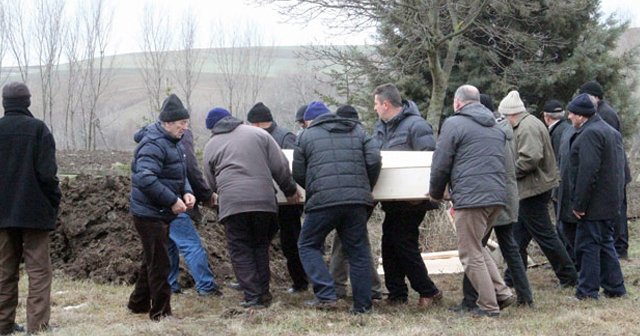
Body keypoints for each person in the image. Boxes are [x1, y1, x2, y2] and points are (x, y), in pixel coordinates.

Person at [203, 107, 301, 309]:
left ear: (213, 128)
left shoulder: (211, 145)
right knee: (260, 246)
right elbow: (280, 165)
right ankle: (263, 294)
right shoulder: (258, 134)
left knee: (240, 249)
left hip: (233, 203)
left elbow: (210, 181)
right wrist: (290, 190)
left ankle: (253, 297)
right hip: (264, 202)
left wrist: (217, 197)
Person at [429, 85, 514, 318]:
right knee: (477, 246)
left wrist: (435, 193)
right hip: (497, 197)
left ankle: (488, 306)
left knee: (468, 252)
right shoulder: (496, 127)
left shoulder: (454, 124)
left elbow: (441, 162)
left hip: (472, 198)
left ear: (458, 103)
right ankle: (502, 292)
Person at [293, 101, 381, 314]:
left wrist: (314, 188)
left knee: (307, 244)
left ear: (308, 121)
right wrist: (363, 186)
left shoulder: (305, 136)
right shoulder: (357, 130)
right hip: (356, 202)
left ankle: (325, 294)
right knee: (358, 251)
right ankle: (363, 306)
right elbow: (374, 160)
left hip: (323, 201)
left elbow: (298, 172)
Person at [450, 94, 533, 313]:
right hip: (503, 196)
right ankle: (523, 296)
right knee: (507, 248)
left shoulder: (490, 134)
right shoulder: (504, 132)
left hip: (487, 196)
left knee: (474, 248)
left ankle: (475, 300)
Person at [498, 90, 577, 288]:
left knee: (545, 236)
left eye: (503, 116)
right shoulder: (526, 124)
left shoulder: (527, 127)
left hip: (532, 190)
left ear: (511, 114)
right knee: (518, 237)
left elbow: (530, 159)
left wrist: (507, 173)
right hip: (527, 189)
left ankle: (568, 276)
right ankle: (513, 278)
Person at [372, 83, 442, 308]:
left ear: (386, 104)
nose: (374, 109)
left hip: (413, 200)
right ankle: (397, 293)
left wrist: (421, 194)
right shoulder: (380, 128)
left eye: (376, 104)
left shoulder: (417, 125)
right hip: (391, 200)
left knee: (403, 242)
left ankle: (428, 291)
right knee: (388, 242)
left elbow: (429, 160)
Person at [0, 82, 61, 335]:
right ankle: (36, 328)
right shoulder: (38, 130)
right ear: (27, 102)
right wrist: (53, 200)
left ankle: (2, 325)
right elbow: (47, 174)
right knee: (38, 273)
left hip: (2, 215)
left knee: (3, 271)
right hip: (34, 213)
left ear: (4, 102)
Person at [128, 94, 195, 321]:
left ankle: (137, 303)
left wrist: (186, 191)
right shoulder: (153, 144)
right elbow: (145, 178)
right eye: (181, 124)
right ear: (167, 123)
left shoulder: (173, 142)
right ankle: (161, 313)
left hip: (159, 212)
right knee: (160, 263)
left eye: (186, 123)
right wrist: (171, 200)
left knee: (152, 259)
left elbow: (179, 173)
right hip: (148, 213)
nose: (185, 128)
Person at [563, 93, 627, 300]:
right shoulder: (609, 131)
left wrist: (579, 204)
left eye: (572, 114)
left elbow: (588, 172)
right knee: (605, 243)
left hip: (593, 204)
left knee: (587, 246)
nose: (569, 118)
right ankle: (615, 288)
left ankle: (587, 292)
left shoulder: (590, 134)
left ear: (582, 116)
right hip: (609, 202)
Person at [247, 102, 308, 294]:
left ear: (255, 123)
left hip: (288, 202)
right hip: (267, 199)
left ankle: (300, 282)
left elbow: (292, 166)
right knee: (258, 242)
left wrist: (292, 193)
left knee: (291, 243)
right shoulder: (263, 137)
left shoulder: (285, 137)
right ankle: (253, 281)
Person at [328, 104, 383, 300]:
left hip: (338, 197)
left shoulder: (334, 138)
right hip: (361, 197)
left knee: (350, 242)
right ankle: (368, 287)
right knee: (353, 240)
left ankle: (339, 286)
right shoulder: (363, 136)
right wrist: (368, 185)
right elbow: (374, 161)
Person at [579, 80, 631, 260]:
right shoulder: (601, 112)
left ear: (594, 97)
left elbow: (610, 147)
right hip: (615, 171)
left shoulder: (605, 115)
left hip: (615, 172)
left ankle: (620, 247)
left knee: (617, 212)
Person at [166, 127, 221, 297]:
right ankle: (206, 285)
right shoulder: (180, 134)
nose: (185, 125)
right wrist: (206, 194)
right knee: (191, 244)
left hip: (154, 203)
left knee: (169, 244)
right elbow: (189, 168)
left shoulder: (150, 140)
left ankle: (170, 284)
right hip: (174, 201)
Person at [541, 99, 574, 261]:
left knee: (563, 223)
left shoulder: (557, 133)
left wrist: (554, 189)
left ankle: (567, 258)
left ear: (547, 117)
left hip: (560, 185)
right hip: (567, 184)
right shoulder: (568, 129)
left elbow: (556, 162)